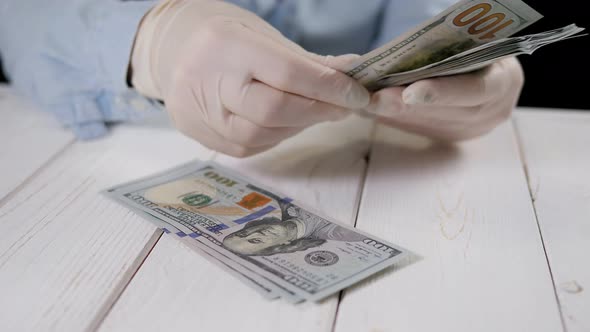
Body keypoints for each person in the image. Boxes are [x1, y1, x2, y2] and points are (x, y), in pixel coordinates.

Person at [0, 0, 524, 157]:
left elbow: (422, 15)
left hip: (357, 155)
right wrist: (152, 41)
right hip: (86, 155)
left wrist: (470, 73)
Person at [222, 215, 366, 256]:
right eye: (255, 240)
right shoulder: (341, 233)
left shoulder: (283, 204)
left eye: (243, 233)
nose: (257, 232)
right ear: (280, 246)